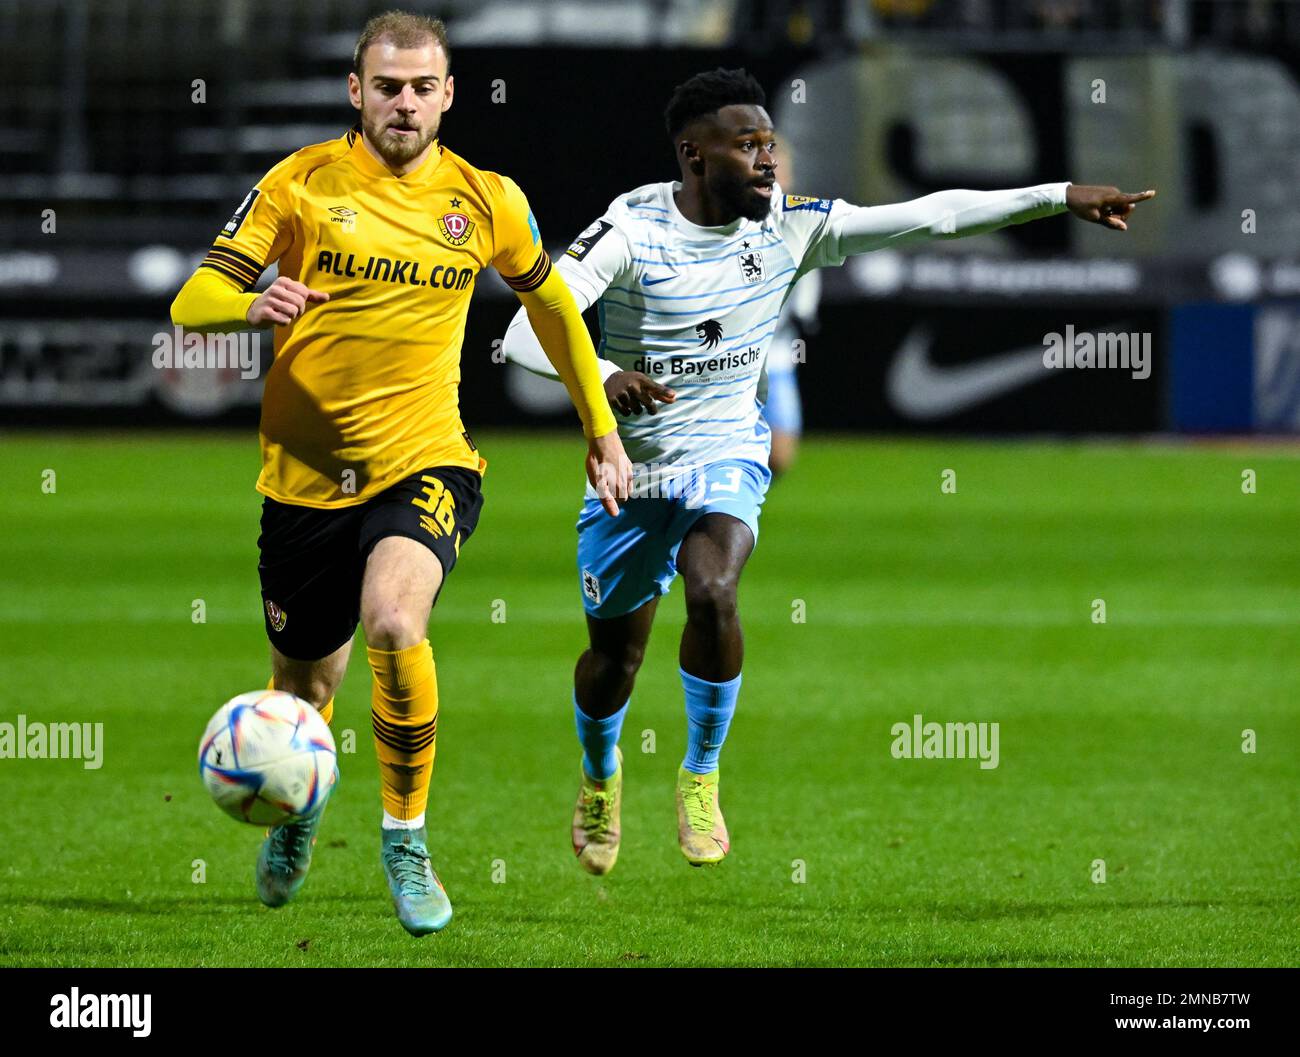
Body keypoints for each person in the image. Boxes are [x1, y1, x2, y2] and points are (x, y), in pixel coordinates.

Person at [502, 67, 1153, 874]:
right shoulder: (631, 229)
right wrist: (602, 380)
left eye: (771, 144)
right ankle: (601, 774)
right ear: (693, 156)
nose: (768, 162)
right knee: (613, 663)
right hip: (632, 473)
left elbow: (932, 217)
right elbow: (525, 338)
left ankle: (700, 775)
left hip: (726, 453)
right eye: (747, 146)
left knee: (713, 590)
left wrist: (1058, 194)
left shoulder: (790, 226)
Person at [171, 11, 631, 934]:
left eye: (424, 87)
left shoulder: (486, 198)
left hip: (427, 460)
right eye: (387, 86)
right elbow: (194, 298)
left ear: (449, 94)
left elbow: (554, 306)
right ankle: (299, 806)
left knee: (393, 619)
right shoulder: (298, 182)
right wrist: (254, 302)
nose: (405, 104)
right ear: (356, 90)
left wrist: (601, 425)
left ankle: (406, 837)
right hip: (303, 480)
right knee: (303, 692)